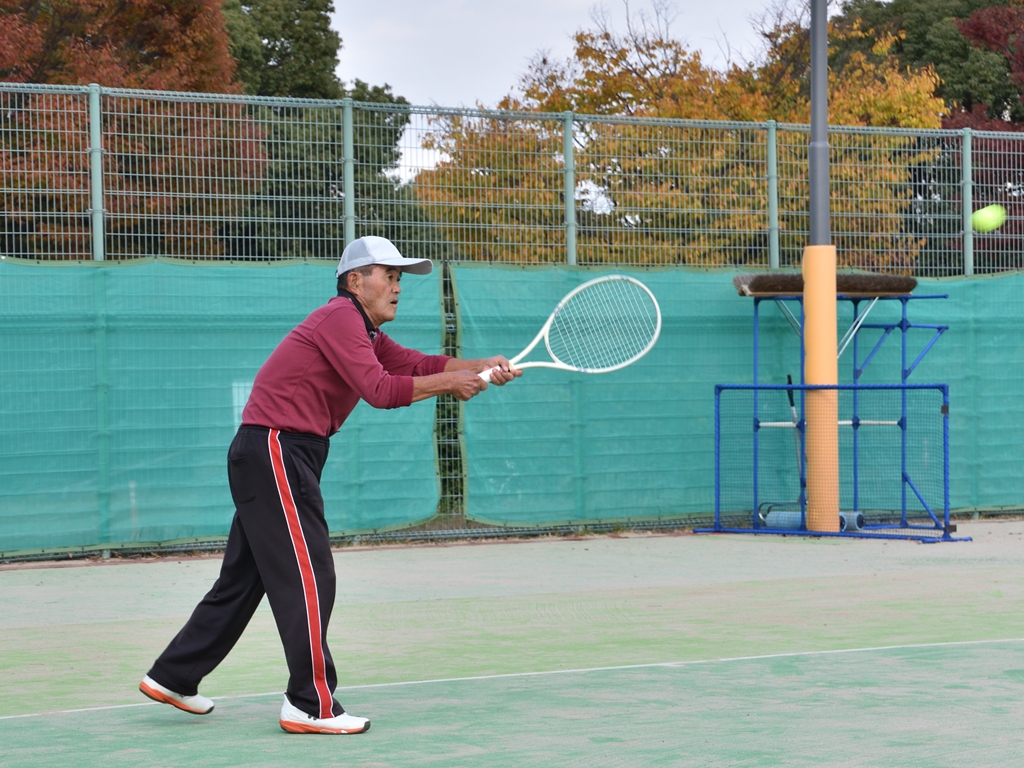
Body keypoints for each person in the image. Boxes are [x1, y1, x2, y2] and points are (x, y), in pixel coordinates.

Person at [138, 236, 519, 734]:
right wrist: (452, 384)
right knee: (311, 575)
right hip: (276, 448)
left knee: (244, 579)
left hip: (276, 452)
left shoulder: (363, 331)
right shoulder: (341, 317)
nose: (398, 287)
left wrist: (480, 365)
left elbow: (416, 364)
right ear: (355, 282)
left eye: (400, 278)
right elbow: (381, 390)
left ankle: (173, 676)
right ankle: (309, 704)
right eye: (389, 276)